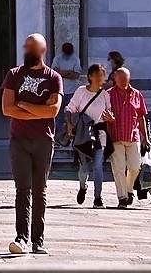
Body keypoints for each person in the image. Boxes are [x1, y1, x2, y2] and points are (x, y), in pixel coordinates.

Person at [1, 31, 64, 257]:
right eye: (26, 46)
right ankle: (22, 237)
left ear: (43, 50)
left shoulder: (54, 78)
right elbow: (7, 109)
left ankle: (38, 240)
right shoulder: (14, 75)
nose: (28, 51)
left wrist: (23, 104)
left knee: (40, 191)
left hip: (44, 141)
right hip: (19, 141)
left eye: (33, 47)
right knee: (22, 190)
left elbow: (53, 111)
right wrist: (39, 110)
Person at [64, 62, 111, 206]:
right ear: (90, 76)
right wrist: (70, 125)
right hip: (84, 133)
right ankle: (83, 187)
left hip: (99, 132)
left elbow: (109, 113)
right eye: (97, 75)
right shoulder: (81, 91)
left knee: (97, 165)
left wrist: (110, 118)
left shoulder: (105, 95)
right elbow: (69, 109)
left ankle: (98, 198)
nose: (99, 78)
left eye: (102, 75)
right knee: (84, 168)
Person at [104, 64, 150, 209]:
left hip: (133, 136)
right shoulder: (108, 94)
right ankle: (122, 197)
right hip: (115, 136)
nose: (124, 81)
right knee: (118, 168)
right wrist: (107, 118)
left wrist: (145, 137)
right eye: (121, 78)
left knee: (135, 167)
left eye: (126, 78)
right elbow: (101, 113)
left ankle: (129, 190)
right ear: (115, 78)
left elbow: (141, 117)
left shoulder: (137, 94)